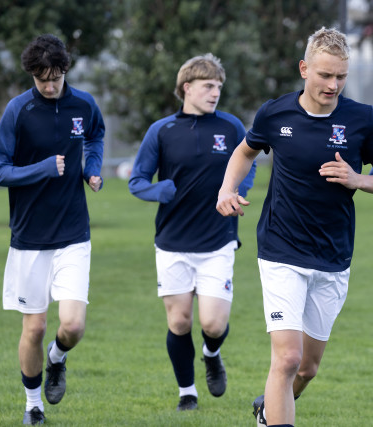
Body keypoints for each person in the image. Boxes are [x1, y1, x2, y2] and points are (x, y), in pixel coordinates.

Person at [216, 27, 373, 427]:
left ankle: (268, 409)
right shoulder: (275, 113)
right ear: (304, 69)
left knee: (307, 368)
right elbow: (244, 152)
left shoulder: (363, 119)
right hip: (281, 249)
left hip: (333, 255)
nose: (333, 85)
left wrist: (357, 179)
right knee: (287, 357)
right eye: (325, 75)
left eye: (341, 76)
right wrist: (227, 189)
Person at [128, 53, 256, 412]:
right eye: (208, 86)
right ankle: (187, 392)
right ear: (187, 87)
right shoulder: (162, 130)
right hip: (173, 242)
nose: (215, 93)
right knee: (180, 321)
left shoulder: (231, 127)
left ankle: (212, 353)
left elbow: (249, 163)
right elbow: (137, 181)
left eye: (218, 87)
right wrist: (160, 190)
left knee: (213, 323)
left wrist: (237, 189)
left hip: (218, 239)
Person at [0, 34, 105, 425]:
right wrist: (42, 168)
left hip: (73, 232)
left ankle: (57, 358)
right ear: (32, 76)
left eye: (55, 78)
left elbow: (96, 135)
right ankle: (33, 405)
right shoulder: (17, 110)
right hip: (29, 237)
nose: (49, 86)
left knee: (72, 325)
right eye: (42, 80)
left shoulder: (83, 104)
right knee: (35, 327)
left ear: (64, 71)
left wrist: (91, 168)